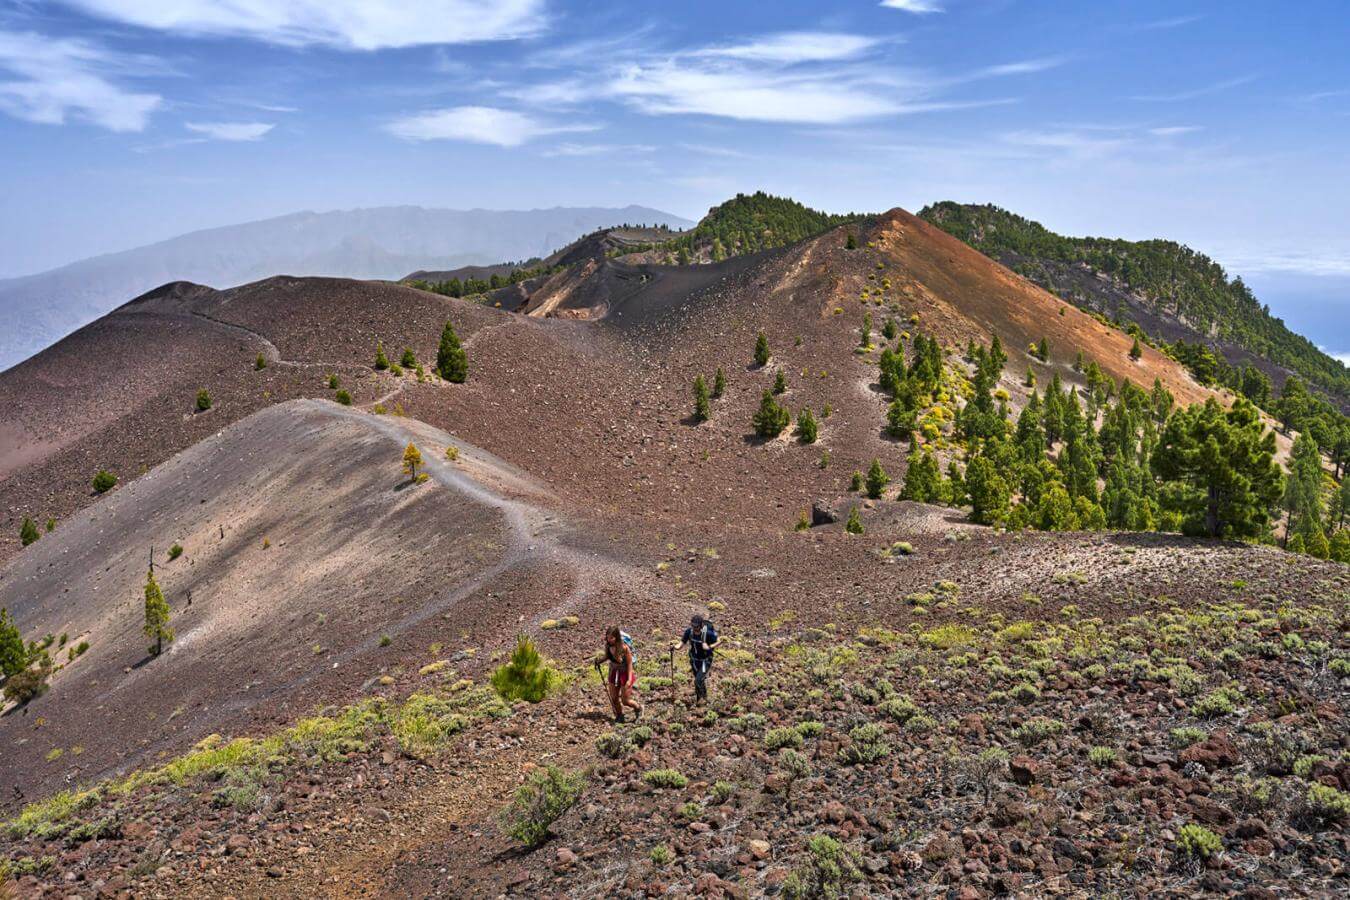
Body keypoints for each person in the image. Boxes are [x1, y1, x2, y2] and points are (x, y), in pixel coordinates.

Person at [594, 625, 641, 722]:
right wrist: (599, 661)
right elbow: (608, 656)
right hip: (614, 672)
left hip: (624, 674)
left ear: (616, 637)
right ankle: (620, 716)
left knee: (625, 701)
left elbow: (629, 664)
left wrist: (628, 679)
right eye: (607, 637)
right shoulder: (608, 646)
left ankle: (638, 708)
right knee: (614, 698)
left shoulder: (624, 648)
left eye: (611, 637)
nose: (609, 639)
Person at [673, 612, 719, 704]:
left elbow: (718, 641)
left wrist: (709, 647)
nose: (694, 629)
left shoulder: (708, 634)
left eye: (696, 627)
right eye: (693, 626)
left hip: (705, 661)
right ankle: (700, 699)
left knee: (698, 680)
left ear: (701, 625)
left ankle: (704, 699)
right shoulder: (689, 632)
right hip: (694, 660)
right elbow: (681, 644)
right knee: (699, 680)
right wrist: (674, 647)